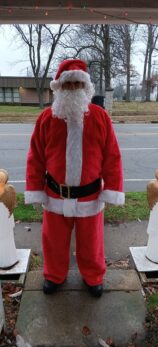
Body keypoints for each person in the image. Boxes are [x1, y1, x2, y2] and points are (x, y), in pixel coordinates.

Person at [25, 59, 125, 297]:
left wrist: (112, 188)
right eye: (68, 84)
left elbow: (112, 156)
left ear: (85, 87)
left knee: (91, 243)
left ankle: (93, 276)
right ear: (59, 87)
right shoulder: (46, 119)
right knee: (54, 242)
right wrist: (35, 188)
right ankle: (54, 275)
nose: (73, 88)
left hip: (89, 197)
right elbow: (35, 157)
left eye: (78, 84)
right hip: (55, 196)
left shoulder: (100, 118)